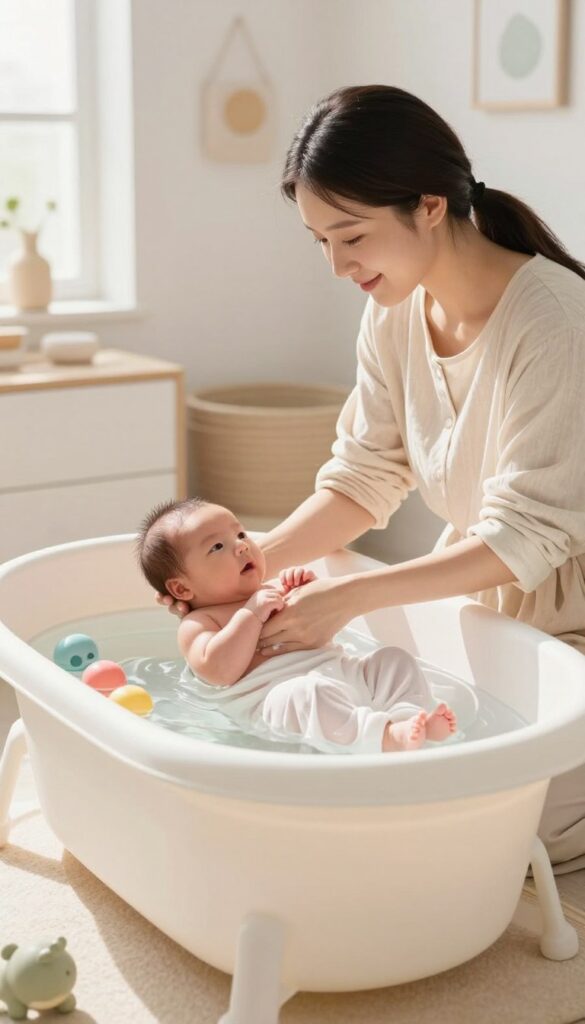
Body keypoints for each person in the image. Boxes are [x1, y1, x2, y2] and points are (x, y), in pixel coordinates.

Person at [159, 85, 585, 871]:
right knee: (392, 775)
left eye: (349, 237)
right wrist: (248, 578)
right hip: (484, 601)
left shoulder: (555, 322)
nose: (335, 266)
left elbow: (529, 533)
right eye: (317, 241)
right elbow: (364, 474)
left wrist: (349, 594)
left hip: (568, 615)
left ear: (428, 205)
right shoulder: (392, 310)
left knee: (504, 833)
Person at [137, 497, 457, 754]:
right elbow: (218, 671)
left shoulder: (269, 590)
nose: (242, 545)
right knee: (308, 693)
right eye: (216, 547)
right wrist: (250, 615)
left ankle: (409, 716)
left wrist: (302, 590)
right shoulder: (199, 623)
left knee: (392, 661)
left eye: (240, 533)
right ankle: (384, 738)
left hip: (341, 673)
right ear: (181, 589)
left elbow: (318, 623)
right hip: (279, 700)